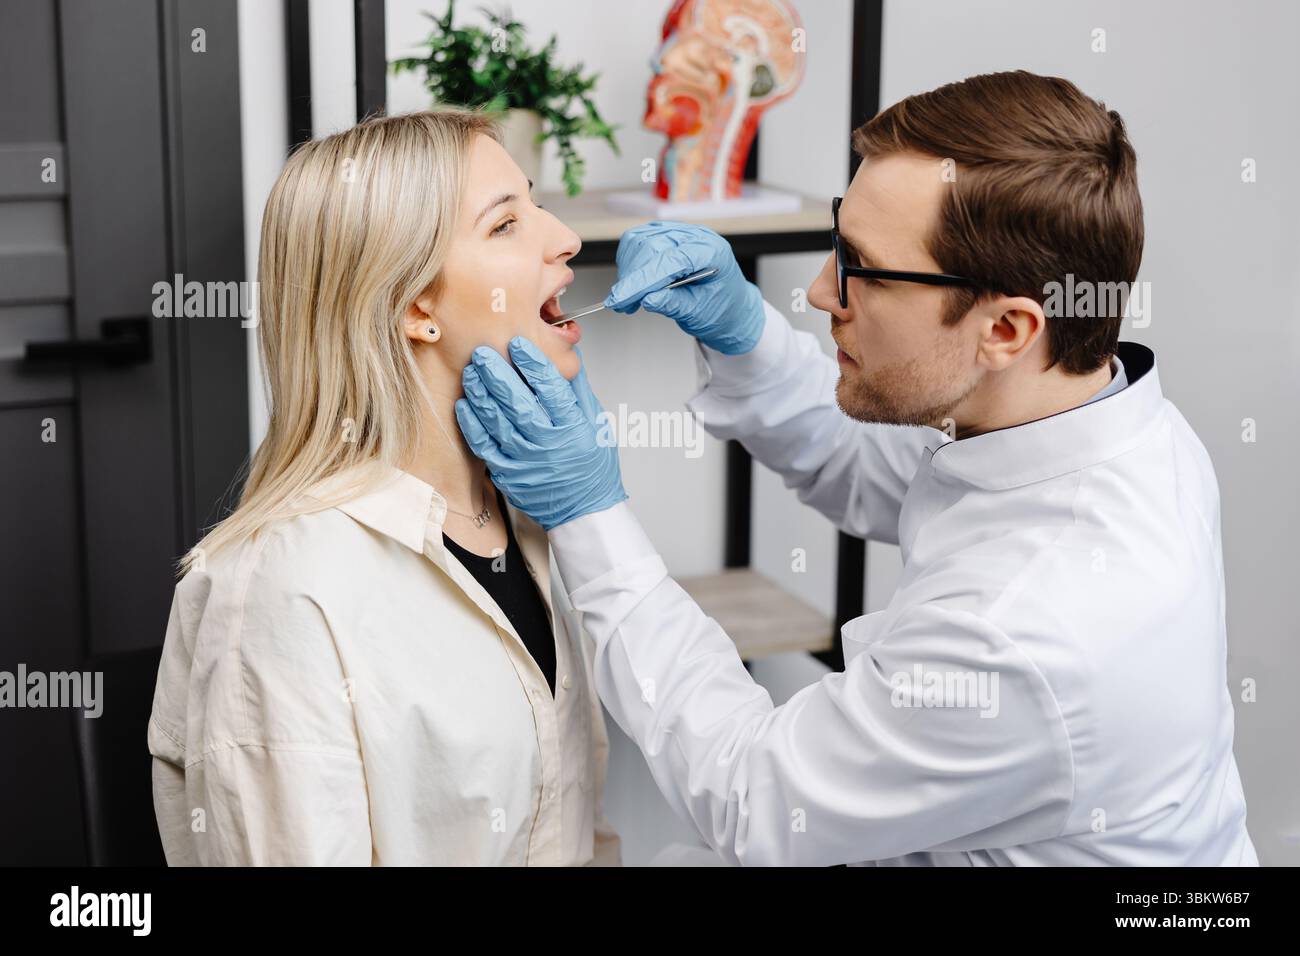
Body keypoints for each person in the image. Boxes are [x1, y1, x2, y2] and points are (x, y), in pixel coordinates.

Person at [455, 71, 1258, 866]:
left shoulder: (1033, 631)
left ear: (1007, 330)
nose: (815, 290)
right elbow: (875, 469)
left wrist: (587, 516)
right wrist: (744, 337)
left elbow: (754, 798)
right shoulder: (1089, 413)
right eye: (839, 238)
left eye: (862, 268)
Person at [148, 109, 620, 865]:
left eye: (534, 203)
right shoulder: (280, 591)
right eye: (505, 225)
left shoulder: (520, 516)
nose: (564, 236)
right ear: (414, 307)